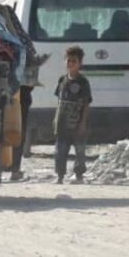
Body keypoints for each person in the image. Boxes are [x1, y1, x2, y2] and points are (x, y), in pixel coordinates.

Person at [54, 47, 91, 185]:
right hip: (62, 123)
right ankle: (60, 176)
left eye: (74, 61)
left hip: (77, 122)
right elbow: (59, 101)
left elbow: (86, 103)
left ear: (80, 63)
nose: (70, 64)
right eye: (68, 60)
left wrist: (83, 123)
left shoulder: (83, 82)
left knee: (79, 150)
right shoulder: (62, 80)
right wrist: (56, 119)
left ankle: (79, 175)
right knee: (60, 150)